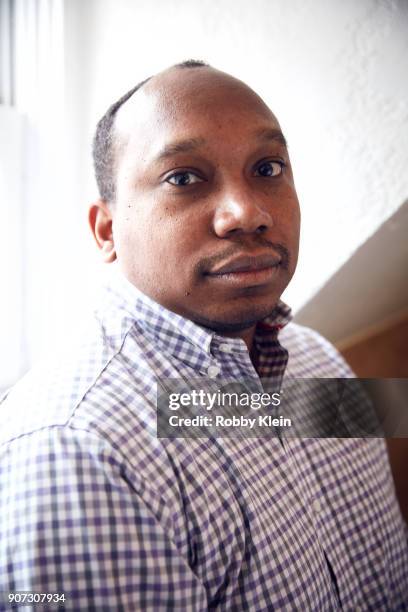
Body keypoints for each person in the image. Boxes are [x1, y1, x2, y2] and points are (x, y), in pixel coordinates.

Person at [0, 60, 407, 611]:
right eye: (184, 178)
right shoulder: (76, 448)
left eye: (267, 167)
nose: (246, 213)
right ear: (106, 230)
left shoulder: (320, 362)